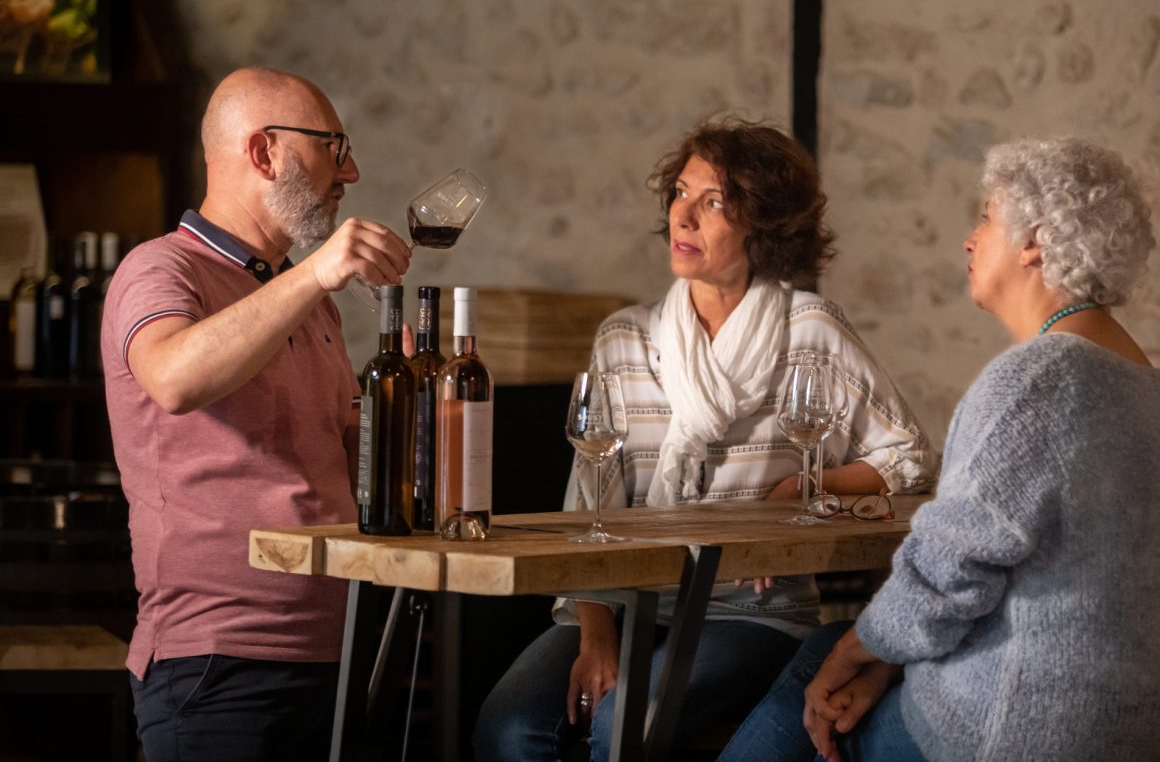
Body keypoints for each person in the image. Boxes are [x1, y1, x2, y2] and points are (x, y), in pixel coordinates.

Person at [473, 118, 939, 762]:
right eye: (681, 193)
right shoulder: (625, 339)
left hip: (752, 613)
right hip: (623, 599)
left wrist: (805, 486)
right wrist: (596, 632)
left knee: (618, 730)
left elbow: (909, 456)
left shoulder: (810, 332)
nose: (683, 216)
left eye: (715, 202)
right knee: (507, 730)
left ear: (764, 225)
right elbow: (588, 503)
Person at [716, 136, 1159, 762]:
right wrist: (881, 657)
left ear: (1034, 241)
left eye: (985, 216)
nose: (969, 240)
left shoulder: (1035, 379)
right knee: (856, 653)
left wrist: (856, 653)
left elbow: (947, 576)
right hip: (1132, 725)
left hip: (1018, 729)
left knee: (826, 668)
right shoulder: (1144, 386)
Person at [101, 67, 413, 761]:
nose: (351, 170)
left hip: (342, 652)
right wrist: (316, 272)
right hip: (220, 666)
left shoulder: (309, 301)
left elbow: (350, 455)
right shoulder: (160, 270)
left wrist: (413, 390)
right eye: (334, 146)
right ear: (264, 151)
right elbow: (174, 377)